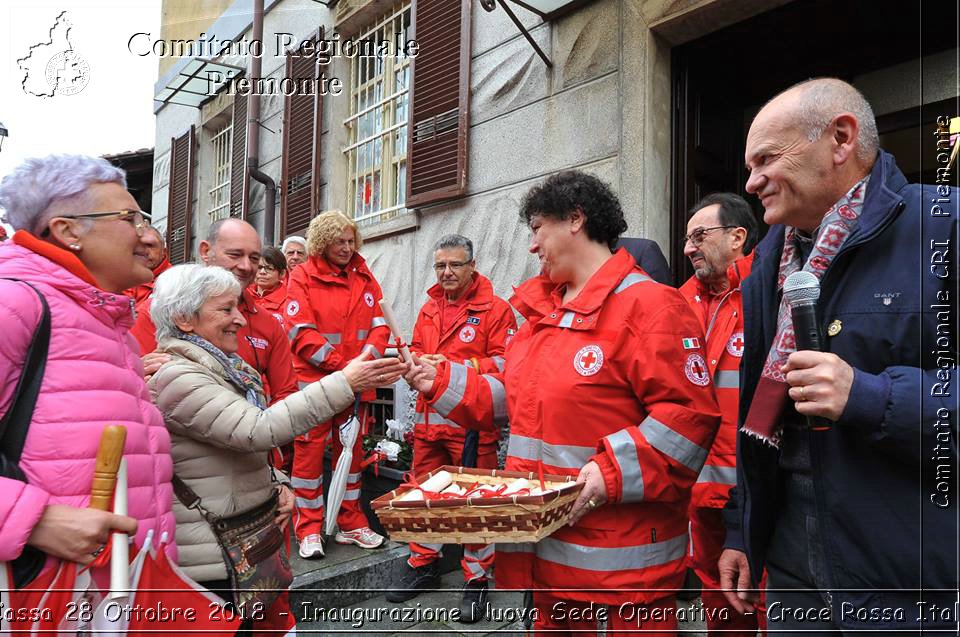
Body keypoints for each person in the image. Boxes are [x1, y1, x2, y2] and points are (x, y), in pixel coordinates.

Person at [406, 171, 721, 634]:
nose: (532, 246)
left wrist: (608, 474)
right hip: (546, 560)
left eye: (537, 228)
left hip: (621, 578)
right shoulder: (542, 316)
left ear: (576, 219)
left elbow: (687, 421)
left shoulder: (652, 307)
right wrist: (440, 380)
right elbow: (514, 400)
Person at [718, 78, 958, 634]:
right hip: (791, 559)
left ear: (841, 139)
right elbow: (759, 411)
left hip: (910, 572)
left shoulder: (944, 225)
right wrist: (740, 527)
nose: (750, 183)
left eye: (765, 160)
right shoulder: (768, 262)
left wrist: (871, 396)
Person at [148, 263, 405, 635]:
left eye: (238, 307)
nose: (239, 319)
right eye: (225, 310)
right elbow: (256, 429)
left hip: (238, 546)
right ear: (184, 319)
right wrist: (344, 381)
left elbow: (234, 444)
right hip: (213, 561)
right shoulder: (176, 376)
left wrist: (277, 481)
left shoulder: (220, 367)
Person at [0, 155, 177, 579]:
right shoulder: (16, 304)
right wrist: (34, 519)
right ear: (68, 230)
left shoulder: (109, 324)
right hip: (46, 600)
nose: (147, 234)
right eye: (130, 218)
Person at [386, 234, 517, 621]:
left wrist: (453, 366)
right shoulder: (428, 308)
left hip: (472, 424)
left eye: (455, 265)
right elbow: (418, 353)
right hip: (429, 424)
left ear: (472, 266)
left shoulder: (497, 309)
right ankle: (423, 564)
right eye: (440, 265)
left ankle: (476, 580)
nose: (446, 272)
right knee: (422, 498)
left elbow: (508, 365)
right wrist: (409, 361)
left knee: (477, 504)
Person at [677, 193, 762, 636]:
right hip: (696, 491)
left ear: (737, 237)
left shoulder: (769, 294)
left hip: (759, 492)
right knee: (718, 599)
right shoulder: (676, 304)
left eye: (699, 235)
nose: (689, 247)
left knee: (762, 599)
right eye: (686, 238)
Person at [285, 210, 391, 558]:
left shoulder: (363, 274)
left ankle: (350, 523)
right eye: (339, 242)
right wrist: (345, 367)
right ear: (323, 243)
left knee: (352, 454)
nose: (347, 248)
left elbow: (380, 324)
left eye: (350, 241)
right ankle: (309, 529)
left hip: (354, 381)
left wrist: (363, 361)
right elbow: (301, 332)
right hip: (315, 383)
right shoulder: (302, 276)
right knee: (308, 457)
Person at [132, 219, 299, 407]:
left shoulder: (268, 323)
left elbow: (286, 394)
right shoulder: (161, 310)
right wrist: (135, 371)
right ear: (205, 251)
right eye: (235, 254)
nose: (246, 266)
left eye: (254, 259)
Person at [124, 225, 171, 304]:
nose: (142, 251)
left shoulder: (175, 281)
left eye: (150, 245)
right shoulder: (118, 276)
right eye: (136, 246)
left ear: (164, 252)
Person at [249, 246, 289, 328]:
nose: (262, 272)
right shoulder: (242, 295)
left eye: (269, 268)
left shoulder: (289, 299)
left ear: (282, 274)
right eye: (259, 268)